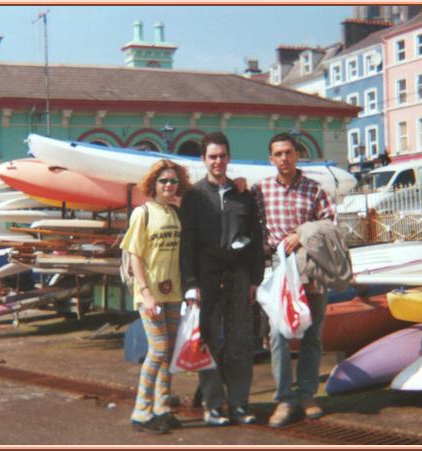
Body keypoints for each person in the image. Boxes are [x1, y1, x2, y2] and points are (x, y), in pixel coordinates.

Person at [179, 132, 264, 426]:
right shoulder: (193, 197)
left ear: (229, 157)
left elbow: (255, 238)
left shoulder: (243, 194)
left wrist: (256, 278)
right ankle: (214, 405)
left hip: (239, 277)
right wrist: (190, 285)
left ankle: (240, 404)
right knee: (210, 342)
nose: (218, 161)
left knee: (241, 343)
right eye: (212, 156)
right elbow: (186, 244)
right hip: (207, 280)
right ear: (203, 160)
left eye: (222, 156)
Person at [252, 132, 334, 428]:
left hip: (312, 264)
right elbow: (251, 223)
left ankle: (307, 393)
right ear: (271, 158)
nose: (284, 158)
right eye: (278, 153)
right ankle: (285, 397)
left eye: (289, 152)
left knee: (312, 331)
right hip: (280, 267)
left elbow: (329, 224)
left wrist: (301, 234)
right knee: (278, 333)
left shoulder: (314, 189)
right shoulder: (260, 190)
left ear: (296, 154)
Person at [120, 159, 192, 434]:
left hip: (173, 292)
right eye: (164, 181)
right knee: (158, 350)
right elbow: (135, 255)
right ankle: (141, 411)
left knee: (169, 351)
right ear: (153, 184)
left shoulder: (174, 212)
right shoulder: (143, 213)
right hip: (149, 294)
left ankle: (162, 407)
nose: (169, 185)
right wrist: (146, 293)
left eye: (173, 181)